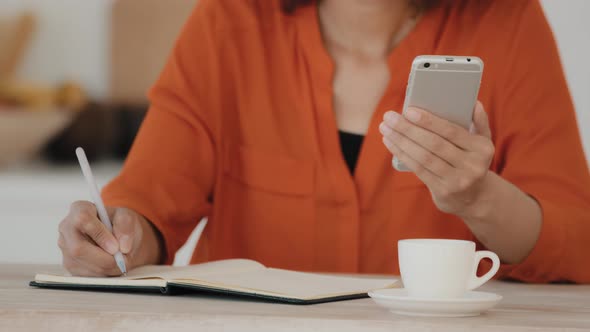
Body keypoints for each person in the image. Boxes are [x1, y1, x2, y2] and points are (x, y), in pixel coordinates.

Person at [57, 0, 590, 282]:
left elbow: (576, 244)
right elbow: (150, 206)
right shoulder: (228, 22)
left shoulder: (509, 22)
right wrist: (117, 240)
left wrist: (479, 199)